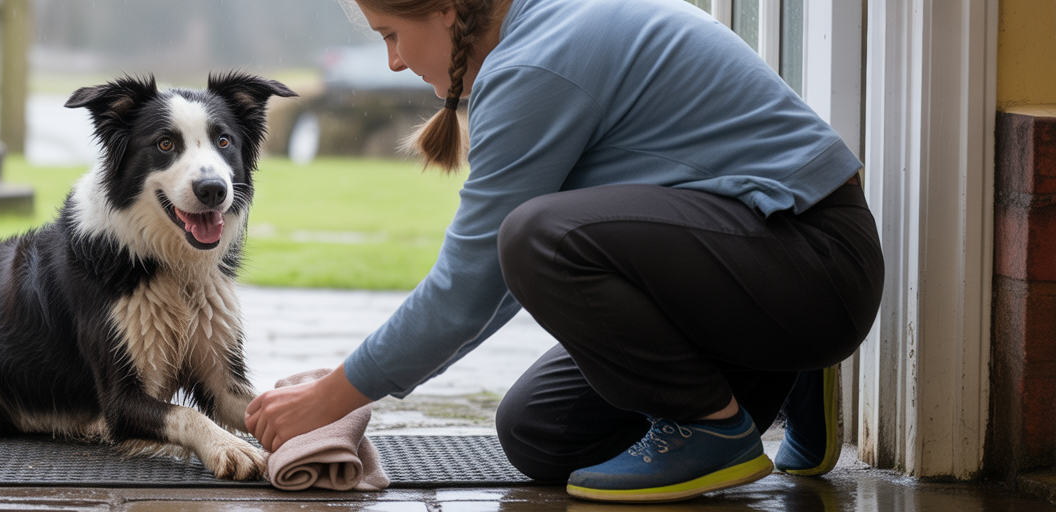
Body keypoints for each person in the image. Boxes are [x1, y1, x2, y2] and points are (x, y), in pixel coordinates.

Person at [243, 0, 884, 503]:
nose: (392, 61)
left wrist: (334, 396)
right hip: (754, 273)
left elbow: (472, 282)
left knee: (534, 233)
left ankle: (711, 428)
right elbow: (492, 287)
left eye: (390, 34)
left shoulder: (535, 63)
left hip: (815, 266)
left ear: (445, 12)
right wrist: (350, 384)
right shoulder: (534, 34)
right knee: (540, 433)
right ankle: (784, 367)